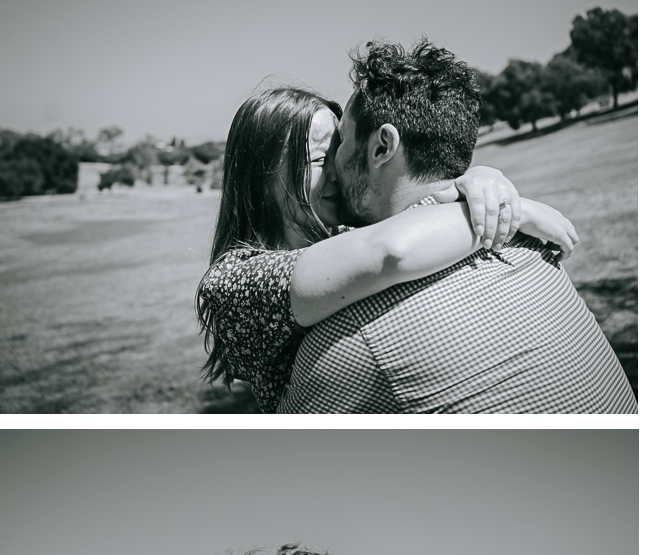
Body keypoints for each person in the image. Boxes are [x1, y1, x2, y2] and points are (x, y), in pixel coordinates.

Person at [276, 40, 637, 414]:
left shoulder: (349, 333)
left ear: (383, 147)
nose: (331, 165)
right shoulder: (534, 250)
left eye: (342, 140)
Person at [196, 78, 578, 413]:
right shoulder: (234, 281)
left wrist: (478, 179)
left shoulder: (344, 234)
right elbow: (391, 250)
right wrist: (513, 210)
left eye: (338, 151)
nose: (338, 169)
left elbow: (412, 213)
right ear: (261, 174)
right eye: (318, 159)